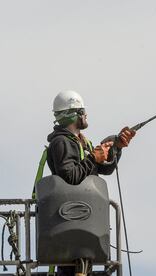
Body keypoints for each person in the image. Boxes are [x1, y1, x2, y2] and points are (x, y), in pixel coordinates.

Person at [41, 90, 135, 276]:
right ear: (73, 115)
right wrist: (93, 158)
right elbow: (70, 176)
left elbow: (105, 169)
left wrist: (116, 148)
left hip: (82, 220)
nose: (86, 115)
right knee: (71, 269)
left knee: (82, 267)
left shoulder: (82, 143)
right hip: (69, 218)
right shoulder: (61, 142)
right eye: (82, 111)